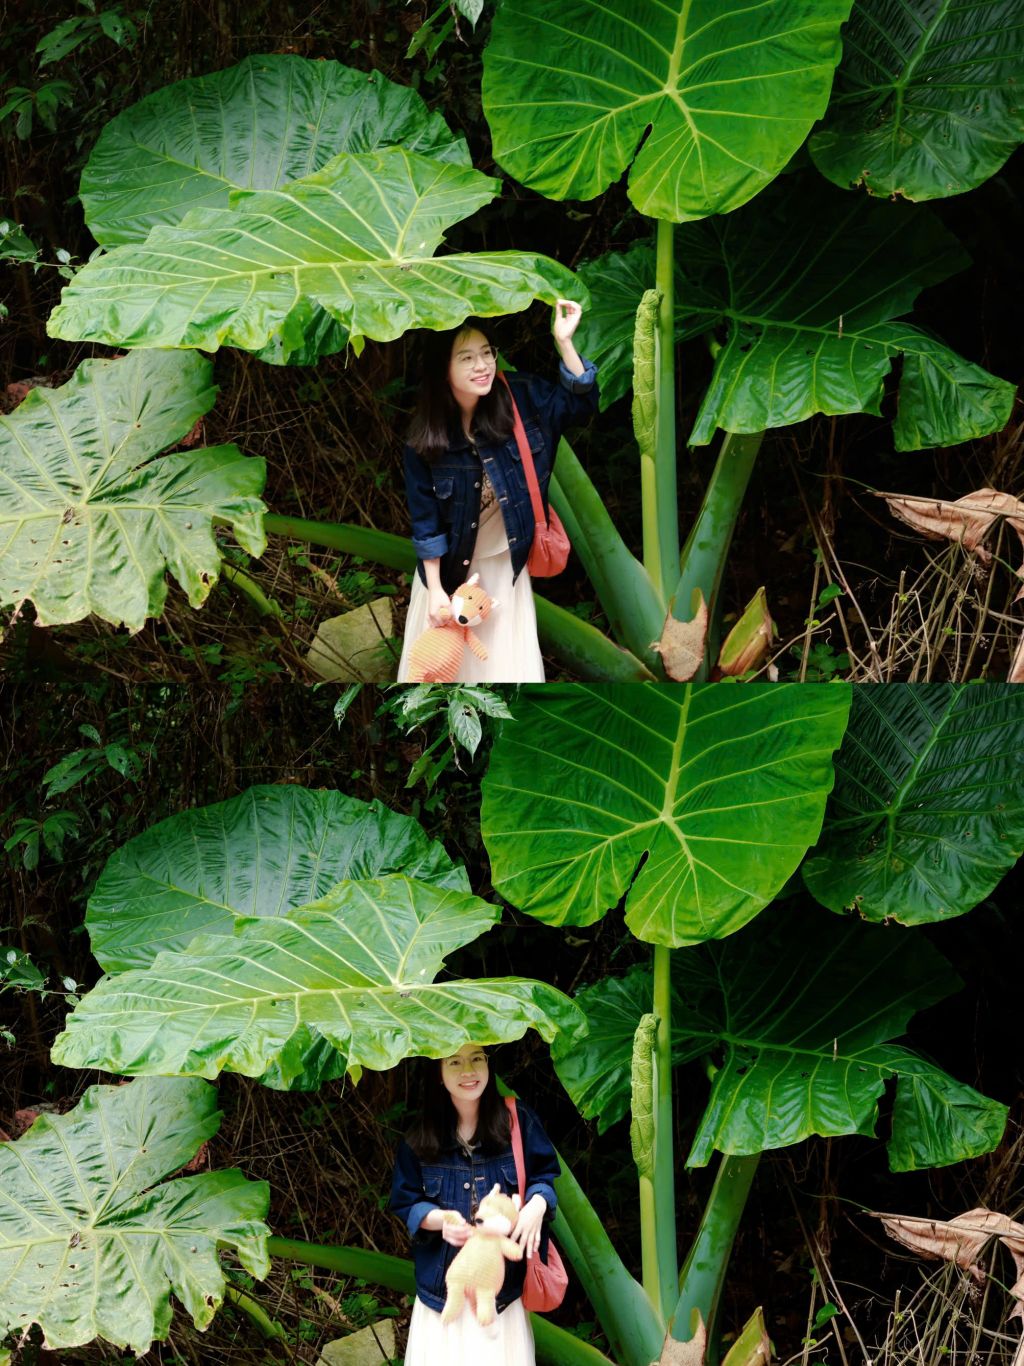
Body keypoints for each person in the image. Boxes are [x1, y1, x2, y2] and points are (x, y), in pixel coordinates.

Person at [397, 302, 599, 682]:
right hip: (449, 579)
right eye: (467, 358)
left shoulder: (520, 399)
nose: (483, 365)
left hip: (505, 572)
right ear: (443, 369)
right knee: (443, 680)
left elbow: (579, 403)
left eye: (487, 353)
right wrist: (436, 591)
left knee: (507, 676)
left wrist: (564, 342)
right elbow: (426, 525)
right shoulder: (425, 440)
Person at [389, 1043, 561, 1365]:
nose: (468, 1071)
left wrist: (536, 1206)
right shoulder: (419, 1137)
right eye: (454, 1062)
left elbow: (545, 1177)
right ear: (439, 1073)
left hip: (501, 1296)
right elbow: (405, 1201)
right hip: (443, 1295)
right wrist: (440, 1220)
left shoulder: (517, 1121)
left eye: (477, 1059)